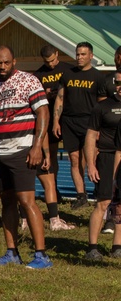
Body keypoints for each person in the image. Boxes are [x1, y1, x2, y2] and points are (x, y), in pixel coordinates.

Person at [0, 46, 53, 270]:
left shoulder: (29, 81)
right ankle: (12, 252)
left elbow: (43, 113)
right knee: (6, 201)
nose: (2, 67)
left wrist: (37, 146)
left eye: (6, 63)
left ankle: (41, 255)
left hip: (22, 150)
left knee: (27, 202)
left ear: (14, 62)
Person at [52, 42, 109, 209]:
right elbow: (60, 98)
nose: (79, 57)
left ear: (91, 56)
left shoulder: (98, 77)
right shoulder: (67, 74)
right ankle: (81, 195)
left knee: (92, 158)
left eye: (83, 54)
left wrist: (101, 128)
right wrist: (56, 121)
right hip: (69, 121)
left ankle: (99, 191)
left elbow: (103, 105)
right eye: (77, 54)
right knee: (74, 159)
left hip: (90, 123)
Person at [33, 45, 74, 231]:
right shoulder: (38, 74)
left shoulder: (67, 70)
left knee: (76, 157)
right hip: (48, 119)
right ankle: (54, 188)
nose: (50, 64)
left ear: (58, 54)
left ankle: (82, 194)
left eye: (53, 60)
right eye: (47, 62)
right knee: (52, 155)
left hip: (69, 118)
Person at [81, 71, 121, 261]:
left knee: (120, 205)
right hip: (106, 158)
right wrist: (90, 164)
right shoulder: (103, 107)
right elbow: (90, 136)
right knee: (104, 202)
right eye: (118, 83)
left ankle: (117, 246)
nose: (120, 86)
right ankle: (93, 247)